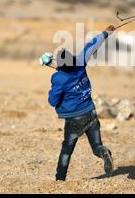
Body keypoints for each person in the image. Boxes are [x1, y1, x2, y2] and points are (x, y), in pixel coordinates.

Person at [47, 25, 116, 181]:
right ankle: (103, 151)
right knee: (96, 146)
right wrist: (106, 33)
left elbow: (53, 100)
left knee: (67, 150)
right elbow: (92, 45)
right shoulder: (79, 62)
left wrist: (53, 87)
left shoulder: (58, 79)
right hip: (91, 112)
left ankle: (60, 179)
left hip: (74, 118)